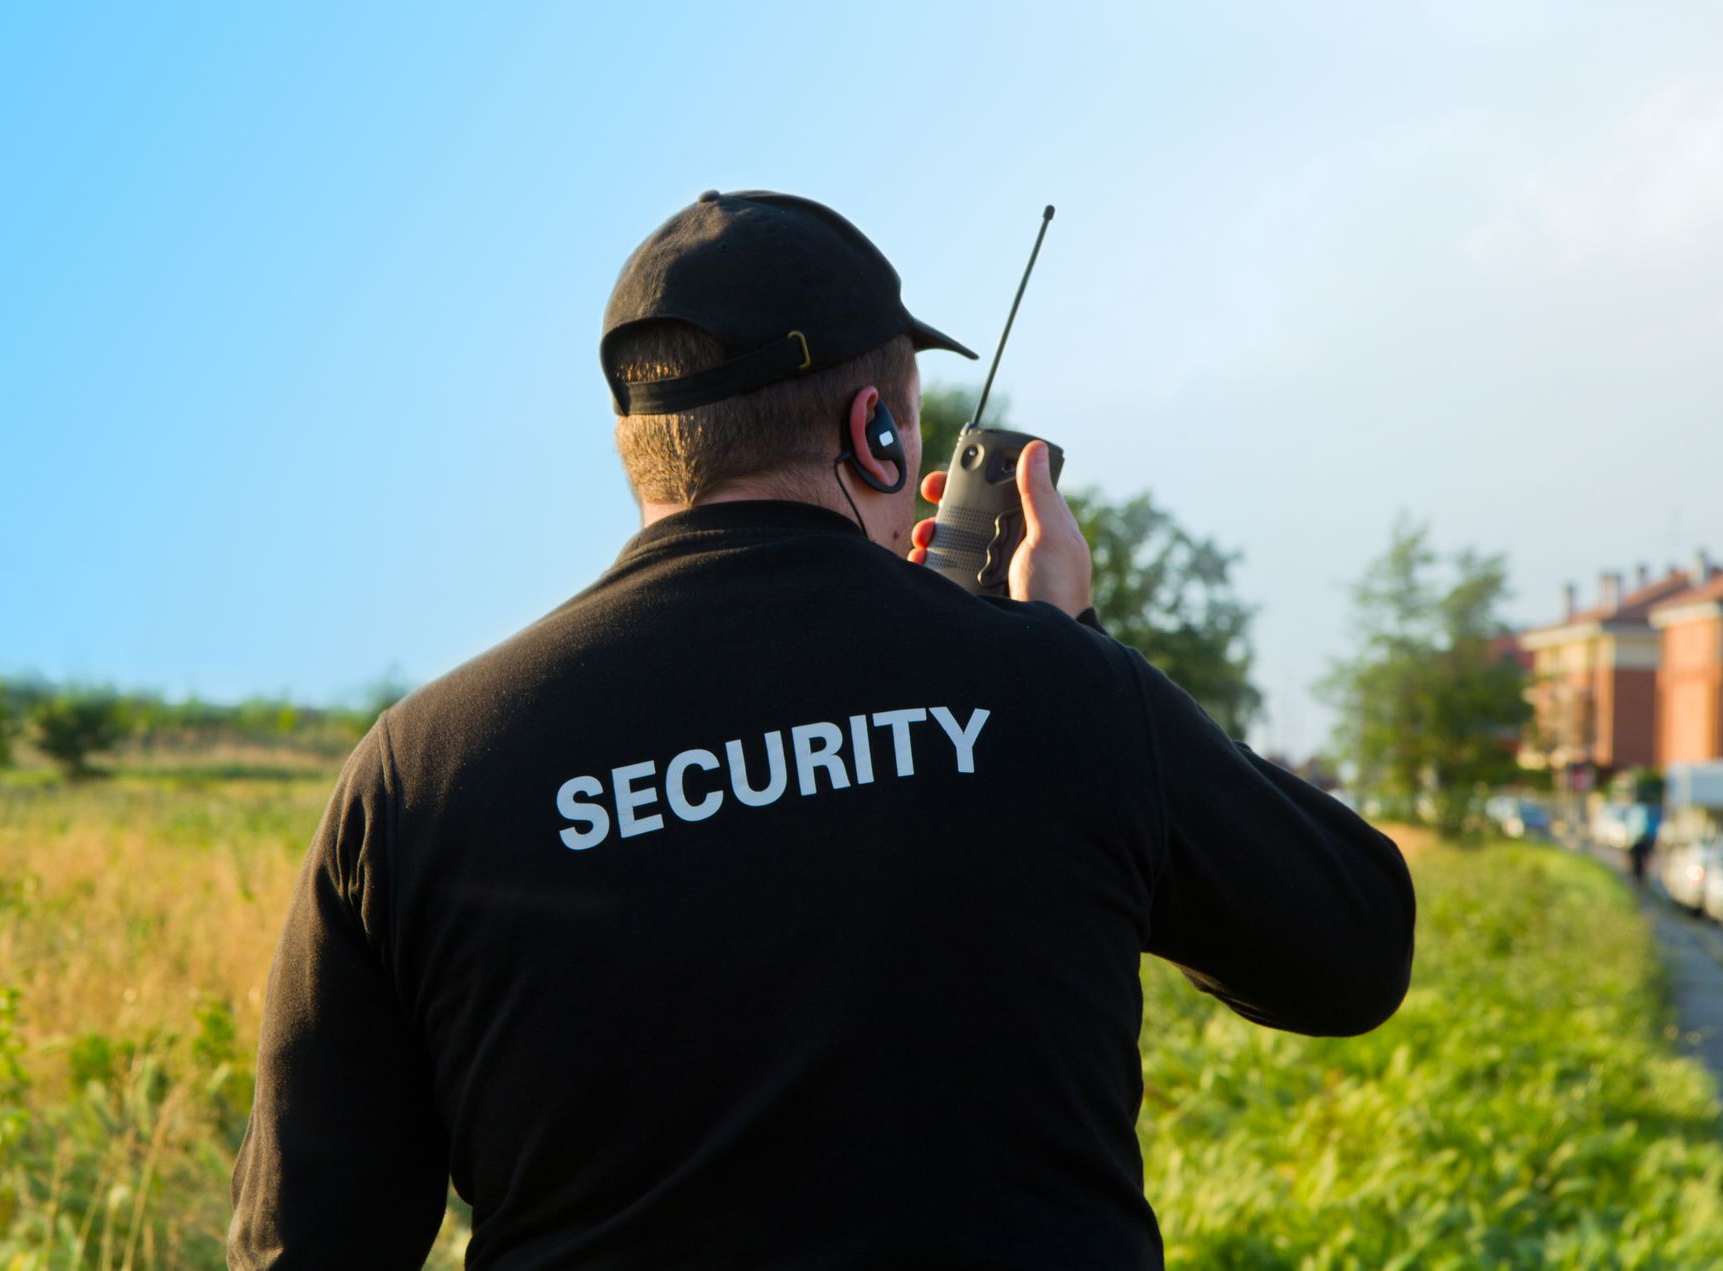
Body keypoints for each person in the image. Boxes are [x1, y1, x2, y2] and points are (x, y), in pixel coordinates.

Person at [228, 190, 1416, 1269]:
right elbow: (1354, 947)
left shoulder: (421, 769)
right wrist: (1070, 643)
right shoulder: (1061, 687)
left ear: (634, 447)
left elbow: (302, 1248)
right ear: (878, 433)